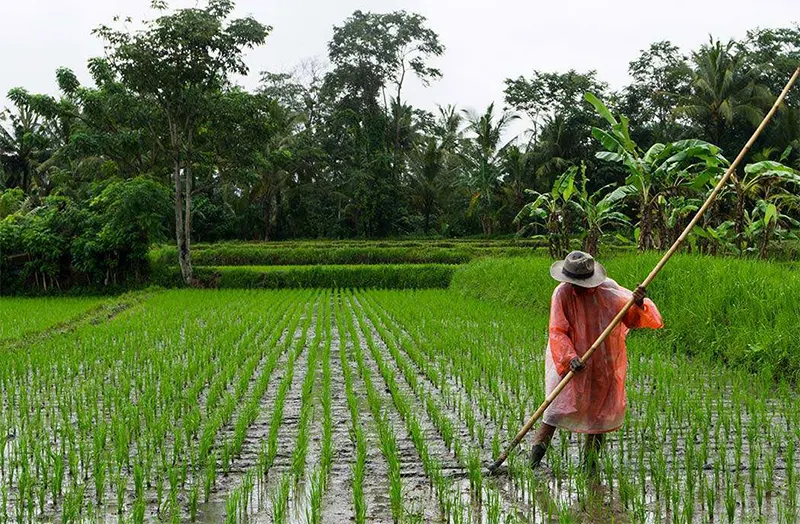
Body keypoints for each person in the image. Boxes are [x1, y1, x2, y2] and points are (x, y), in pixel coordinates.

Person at [530, 251, 663, 474]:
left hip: (604, 358)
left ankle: (589, 466)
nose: (577, 287)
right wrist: (570, 358)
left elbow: (630, 317)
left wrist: (638, 303)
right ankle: (532, 463)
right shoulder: (562, 293)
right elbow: (557, 331)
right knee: (553, 411)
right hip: (569, 359)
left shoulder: (608, 289)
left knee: (599, 414)